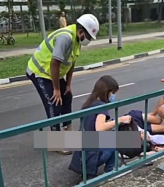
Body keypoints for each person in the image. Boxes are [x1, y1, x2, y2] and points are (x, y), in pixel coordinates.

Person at [26, 14, 100, 155]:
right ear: (81, 31)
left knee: (67, 96)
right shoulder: (65, 38)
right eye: (89, 37)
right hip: (40, 71)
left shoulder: (77, 40)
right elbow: (55, 64)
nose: (89, 41)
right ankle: (56, 142)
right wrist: (56, 89)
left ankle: (68, 130)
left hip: (53, 73)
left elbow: (71, 63)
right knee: (55, 102)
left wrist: (68, 85)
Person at [68, 75, 132, 179]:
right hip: (92, 155)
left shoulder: (89, 103)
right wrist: (119, 120)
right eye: (113, 93)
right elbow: (100, 128)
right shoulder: (101, 107)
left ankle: (89, 170)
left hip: (81, 155)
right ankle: (111, 171)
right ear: (107, 91)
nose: (113, 96)